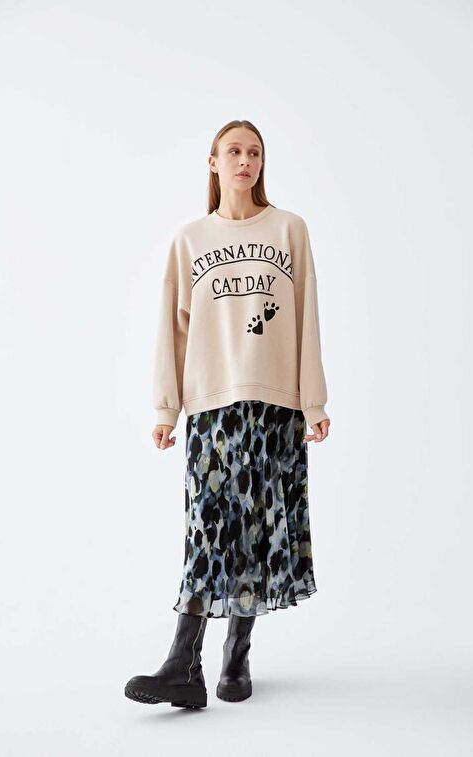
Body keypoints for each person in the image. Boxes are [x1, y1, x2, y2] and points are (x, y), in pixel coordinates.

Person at [124, 119, 331, 709]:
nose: (245, 161)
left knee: (254, 527)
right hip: (212, 403)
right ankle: (182, 661)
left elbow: (306, 316)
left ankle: (235, 653)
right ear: (213, 162)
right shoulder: (191, 239)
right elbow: (172, 329)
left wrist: (313, 400)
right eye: (234, 151)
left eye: (254, 152)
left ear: (262, 163)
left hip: (276, 404)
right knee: (208, 524)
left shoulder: (289, 230)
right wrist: (166, 407)